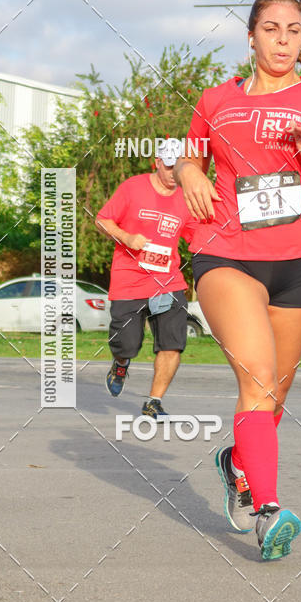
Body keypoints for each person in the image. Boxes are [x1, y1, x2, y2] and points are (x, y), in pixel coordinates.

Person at [175, 0, 301, 561]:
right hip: (226, 252)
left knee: (275, 394)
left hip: (299, 261)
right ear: (251, 36)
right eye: (271, 29)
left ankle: (237, 463)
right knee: (258, 379)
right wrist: (189, 170)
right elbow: (187, 155)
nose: (282, 41)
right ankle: (267, 511)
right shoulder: (215, 100)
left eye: (293, 31)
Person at [96, 139, 198, 418]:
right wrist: (126, 237)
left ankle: (154, 402)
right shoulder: (133, 188)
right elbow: (103, 220)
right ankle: (120, 364)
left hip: (168, 281)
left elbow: (196, 235)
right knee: (127, 344)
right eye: (169, 167)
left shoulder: (186, 197)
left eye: (179, 167)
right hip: (129, 280)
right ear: (157, 163)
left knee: (173, 344)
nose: (174, 173)